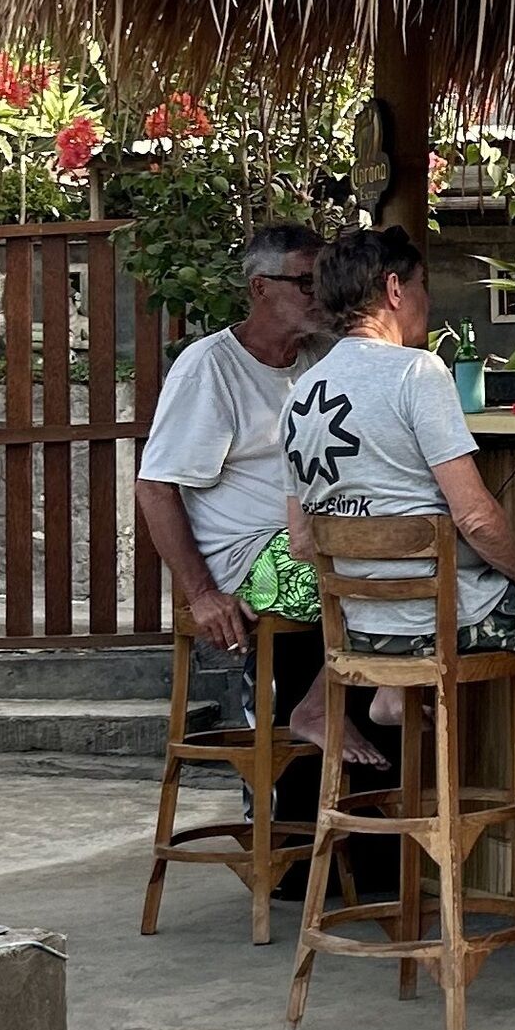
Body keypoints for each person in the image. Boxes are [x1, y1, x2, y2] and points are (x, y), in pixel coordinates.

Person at [281, 223, 515, 898]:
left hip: (363, 632)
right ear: (394, 289)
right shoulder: (416, 371)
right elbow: (476, 515)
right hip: (446, 620)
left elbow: (303, 543)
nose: (426, 302)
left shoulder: (301, 392)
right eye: (421, 287)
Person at [133, 225, 334, 769]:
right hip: (254, 559)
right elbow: (155, 485)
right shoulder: (211, 366)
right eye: (306, 283)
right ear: (260, 287)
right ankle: (287, 806)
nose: (321, 296)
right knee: (379, 581)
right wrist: (200, 594)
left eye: (326, 282)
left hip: (315, 543)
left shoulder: (325, 356)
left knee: (399, 573)